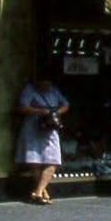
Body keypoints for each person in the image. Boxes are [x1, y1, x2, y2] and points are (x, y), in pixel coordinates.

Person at [16, 73, 69, 205]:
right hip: (34, 127)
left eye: (49, 83)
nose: (47, 86)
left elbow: (66, 104)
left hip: (50, 128)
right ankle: (41, 192)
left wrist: (56, 112)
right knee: (35, 161)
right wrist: (39, 111)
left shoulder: (54, 91)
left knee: (53, 160)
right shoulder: (29, 90)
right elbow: (22, 106)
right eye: (44, 83)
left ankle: (38, 192)